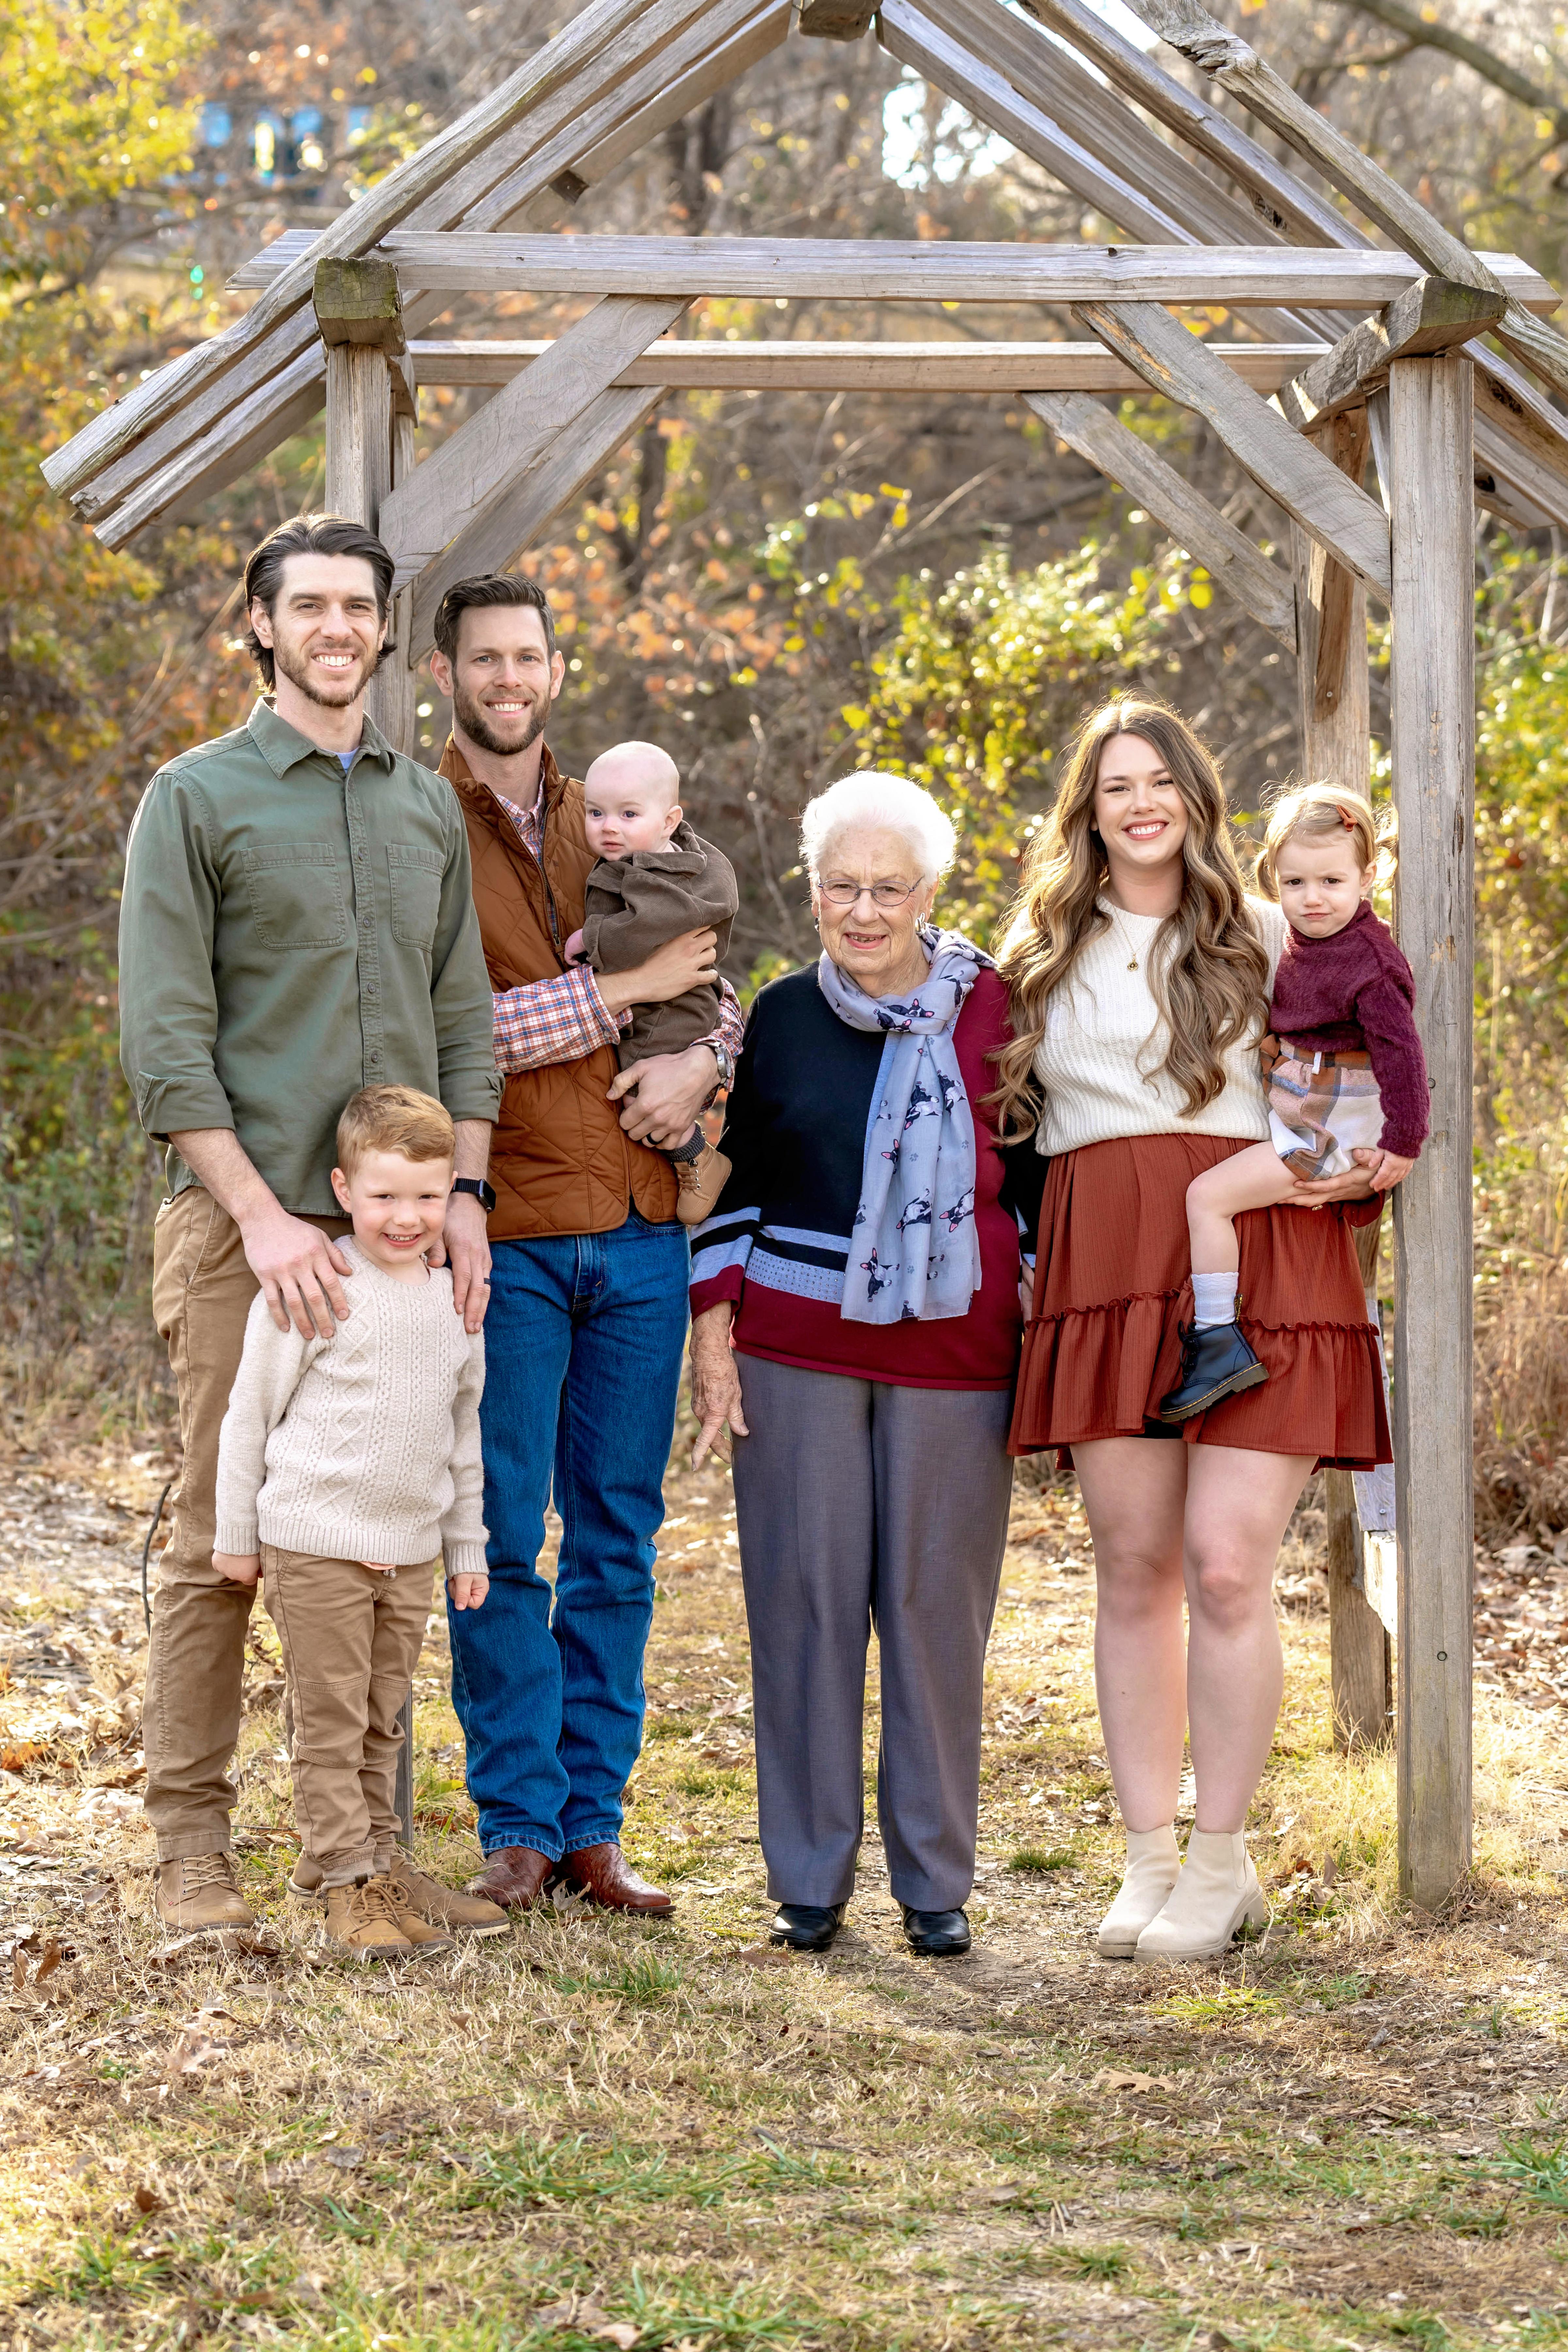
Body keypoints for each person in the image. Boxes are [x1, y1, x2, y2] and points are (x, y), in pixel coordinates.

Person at [118, 514, 500, 1937]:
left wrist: (466, 1198)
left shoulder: (423, 809)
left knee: (388, 1539)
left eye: (359, 607)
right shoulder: (195, 797)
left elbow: (464, 1024)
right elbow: (166, 1042)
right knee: (221, 1535)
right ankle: (191, 1850)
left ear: (385, 633)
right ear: (262, 625)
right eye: (311, 606)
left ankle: (365, 1860)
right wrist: (264, 1220)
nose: (338, 628)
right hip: (249, 1234)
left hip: (402, 1245)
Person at [993, 697, 1391, 1964]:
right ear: (1088, 810)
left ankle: (1222, 1865)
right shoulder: (1040, 951)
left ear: (1196, 797)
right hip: (1106, 1261)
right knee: (1134, 1565)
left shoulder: (1269, 931)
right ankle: (1149, 1858)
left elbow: (1351, 1101)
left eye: (1161, 780)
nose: (1142, 803)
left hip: (1259, 1253)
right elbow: (1003, 1135)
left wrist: (1321, 1168)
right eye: (1117, 785)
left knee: (1225, 1564)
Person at [425, 574, 745, 1916]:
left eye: (528, 657)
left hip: (641, 1234)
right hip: (507, 1232)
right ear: (445, 674)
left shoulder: (616, 810)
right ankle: (518, 1822)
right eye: (484, 659)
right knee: (502, 1534)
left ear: (556, 670)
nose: (509, 678)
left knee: (618, 1538)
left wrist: (704, 1061)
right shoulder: (418, 820)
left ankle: (593, 1828)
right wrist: (623, 991)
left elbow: (715, 978)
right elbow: (449, 1034)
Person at [686, 774, 1043, 1961]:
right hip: (797, 1346)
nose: (866, 910)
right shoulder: (784, 1014)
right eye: (842, 886)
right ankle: (808, 1878)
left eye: (890, 887)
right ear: (813, 892)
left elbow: (1039, 1180)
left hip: (959, 1351)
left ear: (931, 892)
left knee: (938, 1614)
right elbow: (738, 1178)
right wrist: (714, 1329)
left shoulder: (999, 1012)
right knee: (805, 1606)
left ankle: (935, 1882)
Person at [212, 1087, 507, 1957]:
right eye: (384, 1196)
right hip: (315, 1543)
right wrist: (236, 1537)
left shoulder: (454, 1301)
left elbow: (462, 1432)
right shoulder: (319, 1286)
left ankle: (380, 1863)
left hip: (408, 1552)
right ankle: (347, 1884)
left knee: (383, 1719)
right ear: (344, 1189)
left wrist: (465, 1545)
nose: (406, 1217)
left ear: (452, 1192)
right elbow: (249, 1415)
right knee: (332, 1720)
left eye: (427, 1196)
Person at [1160, 783, 1427, 1421]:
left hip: (1328, 1125)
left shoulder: (1369, 962)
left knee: (1207, 1199)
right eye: (1295, 883)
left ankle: (1218, 1341)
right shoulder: (1306, 939)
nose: (1312, 899)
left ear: (1368, 877)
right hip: (1309, 1105)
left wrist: (1402, 1145)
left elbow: (1402, 1055)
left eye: (1332, 882)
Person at [562, 740, 739, 1224]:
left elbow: (646, 930)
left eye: (628, 814)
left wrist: (591, 939)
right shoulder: (649, 858)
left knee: (641, 1088)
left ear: (669, 821)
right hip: (662, 999)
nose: (608, 827)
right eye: (596, 813)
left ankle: (697, 1157)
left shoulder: (665, 876)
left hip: (673, 1010)